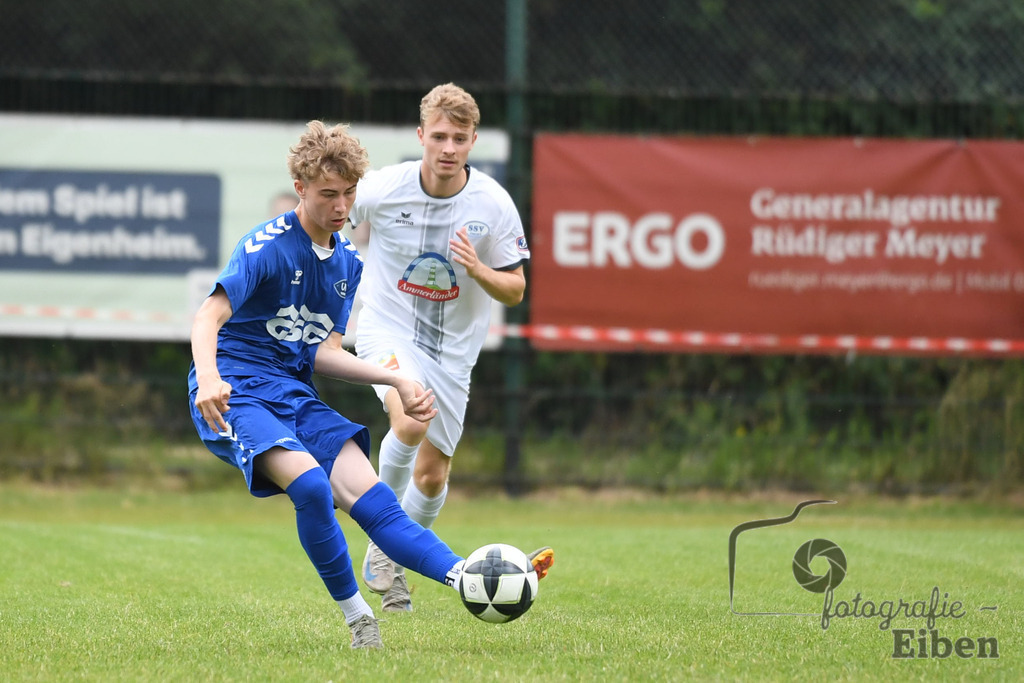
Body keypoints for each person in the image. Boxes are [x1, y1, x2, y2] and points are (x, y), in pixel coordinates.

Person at [188, 120, 550, 649]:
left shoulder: (346, 263)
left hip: (291, 393)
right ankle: (360, 620)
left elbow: (326, 353)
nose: (341, 207)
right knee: (311, 487)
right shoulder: (265, 246)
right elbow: (208, 316)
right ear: (301, 190)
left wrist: (395, 377)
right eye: (328, 195)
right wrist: (210, 381)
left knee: (377, 502)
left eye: (349, 194)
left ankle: (464, 575)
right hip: (235, 390)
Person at [350, 83, 551, 613]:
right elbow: (326, 221)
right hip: (386, 330)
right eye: (438, 136)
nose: (447, 148)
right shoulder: (381, 189)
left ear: (472, 142)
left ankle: (393, 561)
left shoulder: (492, 203)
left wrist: (479, 268)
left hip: (454, 354)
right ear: (420, 136)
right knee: (411, 416)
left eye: (458, 138)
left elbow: (516, 287)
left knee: (433, 474)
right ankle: (380, 534)